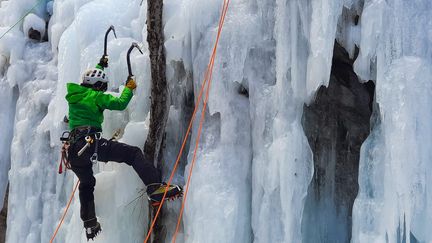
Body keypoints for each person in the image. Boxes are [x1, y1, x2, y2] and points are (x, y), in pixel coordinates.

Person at [65, 59, 182, 240]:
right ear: (96, 86)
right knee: (133, 153)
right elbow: (120, 103)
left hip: (73, 152)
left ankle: (89, 224)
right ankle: (155, 187)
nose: (102, 90)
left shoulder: (76, 96)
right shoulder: (96, 96)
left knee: (86, 184)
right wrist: (129, 87)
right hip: (90, 144)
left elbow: (93, 78)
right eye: (101, 87)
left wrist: (100, 65)